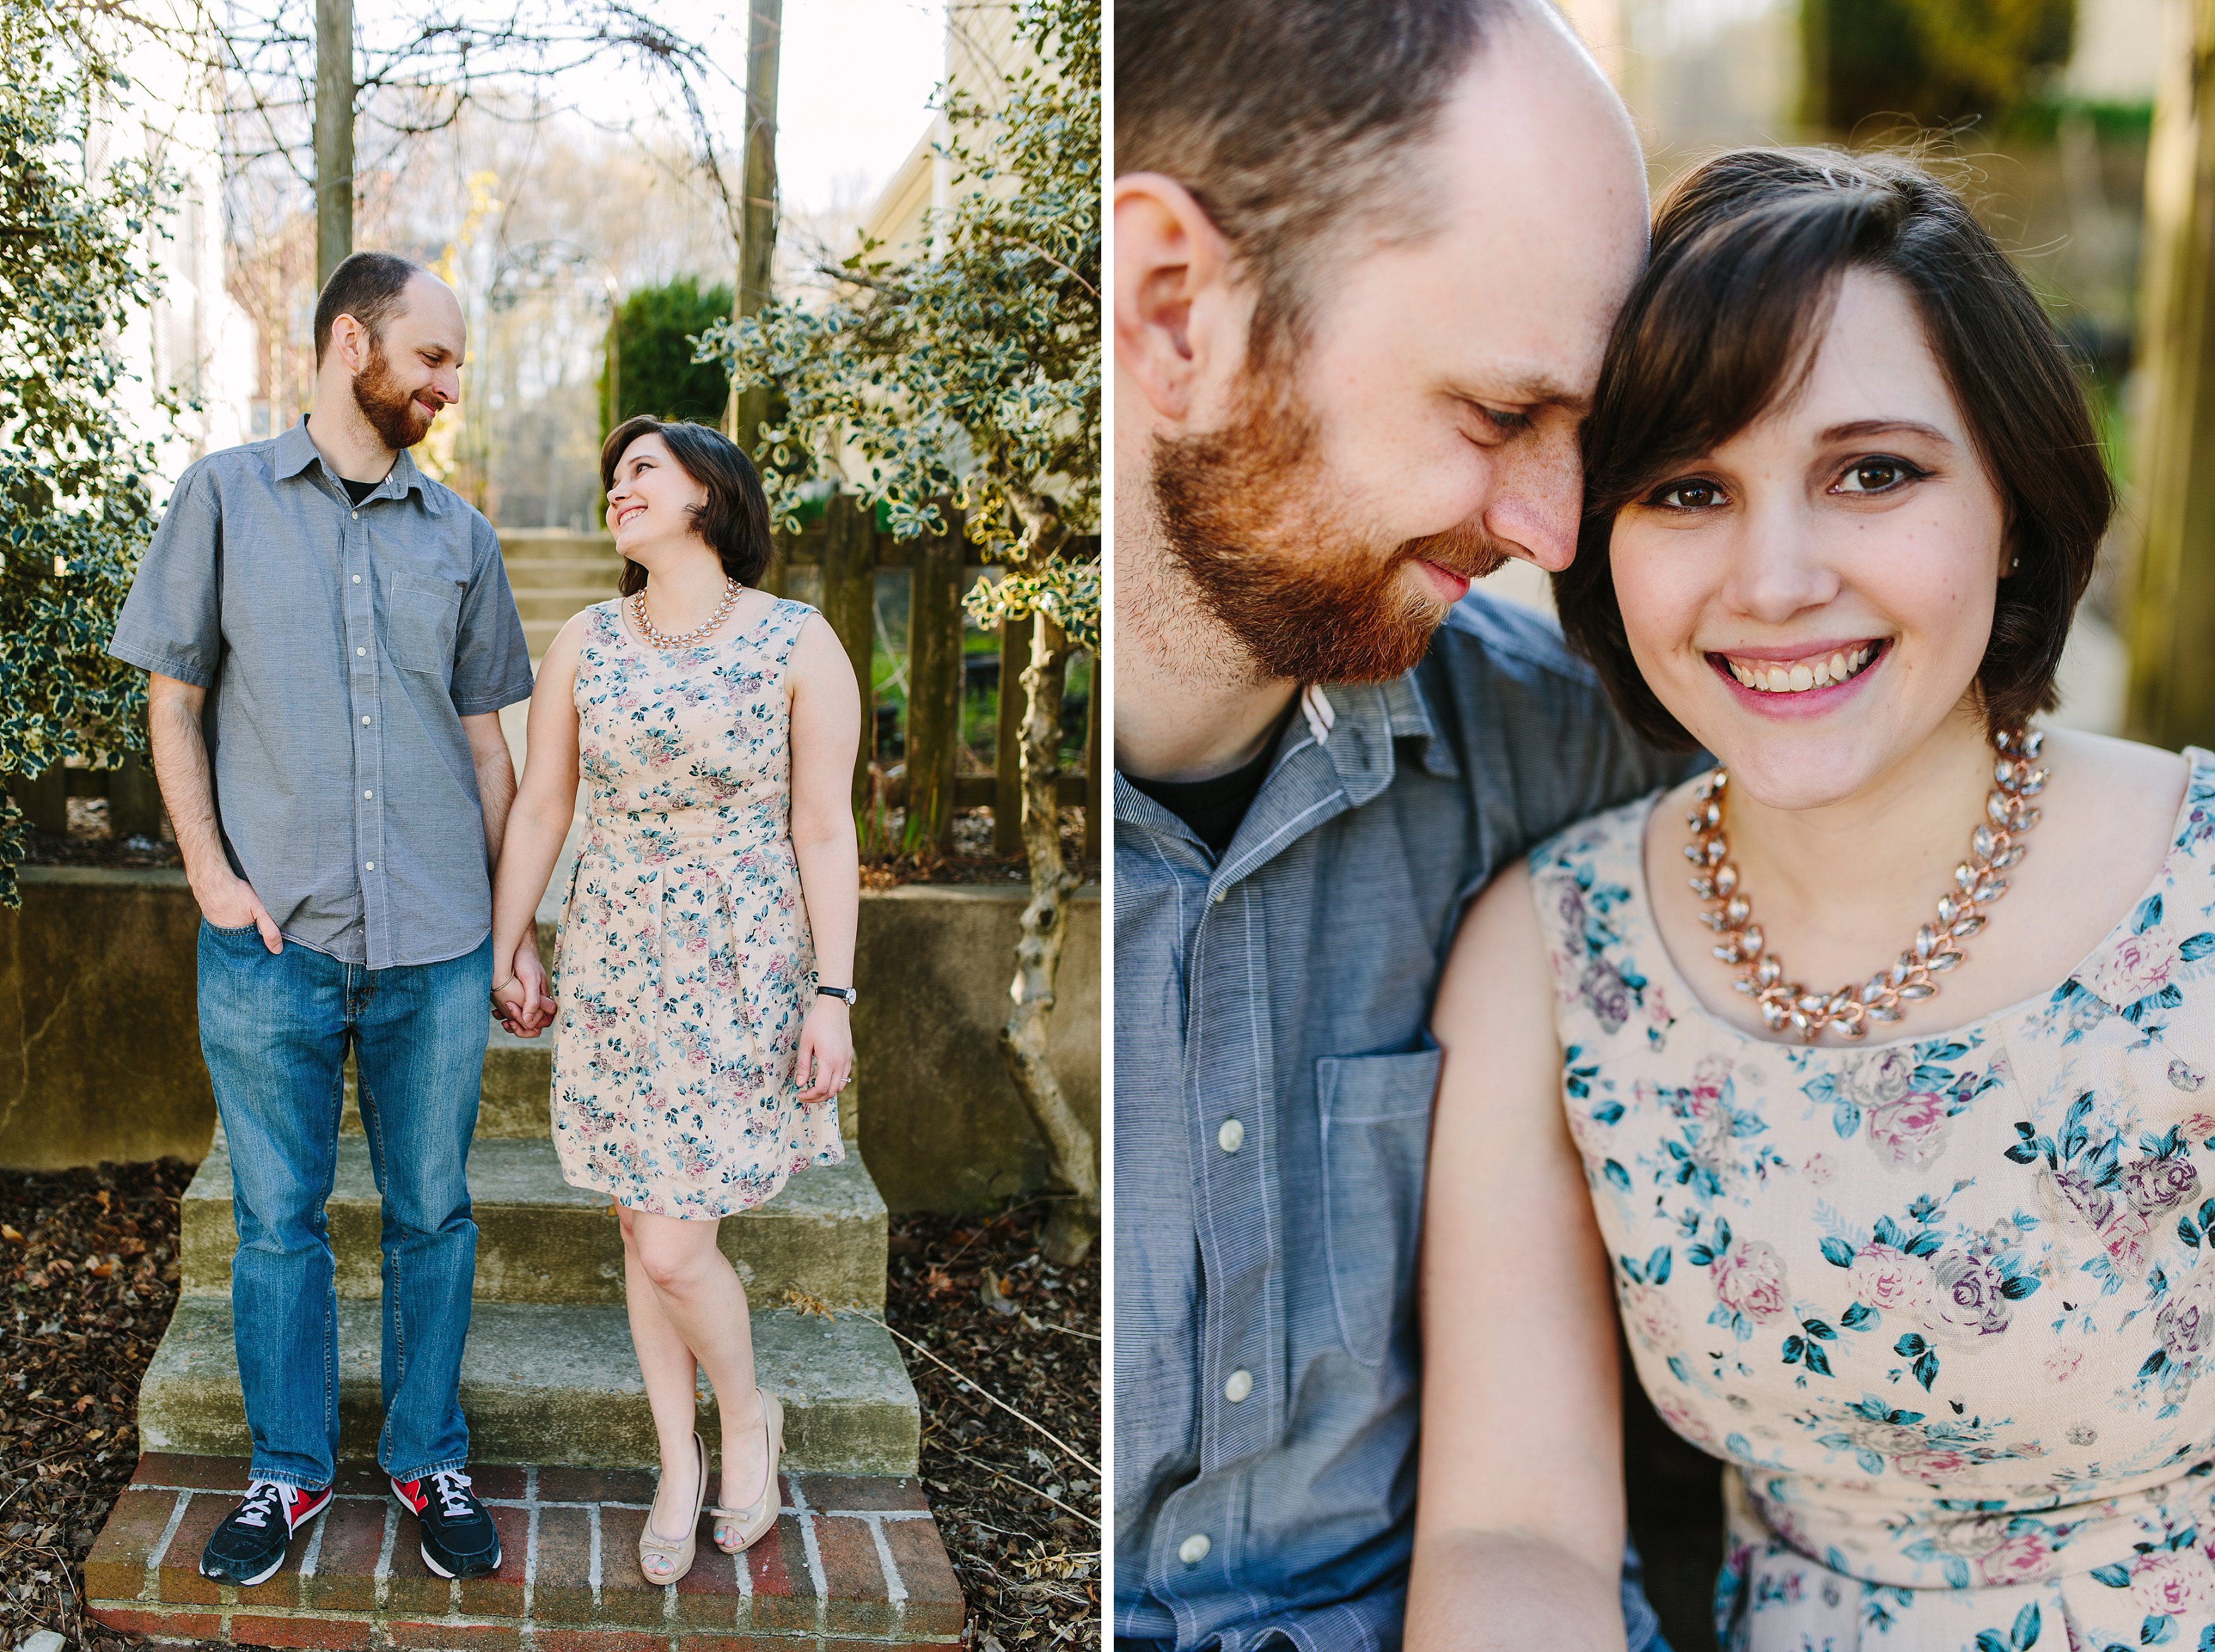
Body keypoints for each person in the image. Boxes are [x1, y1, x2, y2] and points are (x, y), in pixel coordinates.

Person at [1412, 147, 2207, 1649]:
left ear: (2013, 508)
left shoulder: (2201, 893)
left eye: (1872, 473)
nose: (1772, 582)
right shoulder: (1552, 951)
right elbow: (1511, 1530)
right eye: (1688, 489)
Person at [1112, 0, 1694, 1644]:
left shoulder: (1570, 764)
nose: (1558, 533)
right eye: (1502, 417)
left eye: (1595, 437)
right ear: (1174, 310)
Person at [108, 251, 537, 1586]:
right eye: (432, 356)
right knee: (277, 1226)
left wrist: (513, 930)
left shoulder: (459, 537)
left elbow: (487, 750)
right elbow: (172, 700)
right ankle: (288, 1474)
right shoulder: (223, 498)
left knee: (433, 1216)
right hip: (268, 942)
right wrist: (209, 875)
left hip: (438, 944)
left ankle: (426, 1455)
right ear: (352, 342)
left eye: (454, 363)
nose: (448, 385)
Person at [487, 415, 859, 1586]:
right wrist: (514, 942)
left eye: (642, 468)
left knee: (671, 1241)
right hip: (613, 962)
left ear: (711, 490)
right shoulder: (587, 641)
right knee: (639, 1225)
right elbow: (544, 807)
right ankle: (677, 1461)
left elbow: (825, 828)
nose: (618, 487)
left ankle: (745, 1419)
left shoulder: (800, 642)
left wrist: (833, 993)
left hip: (741, 965)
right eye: (612, 474)